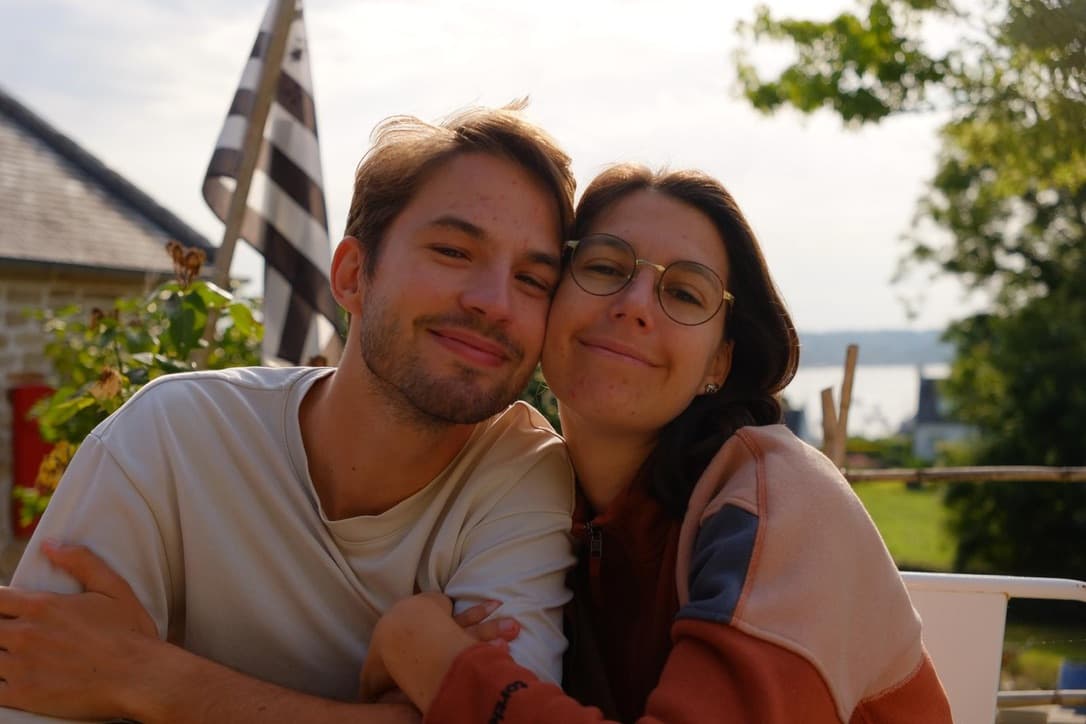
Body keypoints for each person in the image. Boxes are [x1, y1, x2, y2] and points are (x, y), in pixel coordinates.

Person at [0, 104, 579, 723]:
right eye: (453, 251)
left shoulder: (520, 475)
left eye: (532, 280)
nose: (494, 302)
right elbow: (34, 691)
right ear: (354, 274)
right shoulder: (170, 437)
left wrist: (153, 679)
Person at [359, 164, 954, 723]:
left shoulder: (777, 501)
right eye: (604, 267)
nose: (634, 305)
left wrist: (427, 653)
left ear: (718, 362)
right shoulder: (525, 501)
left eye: (686, 294)